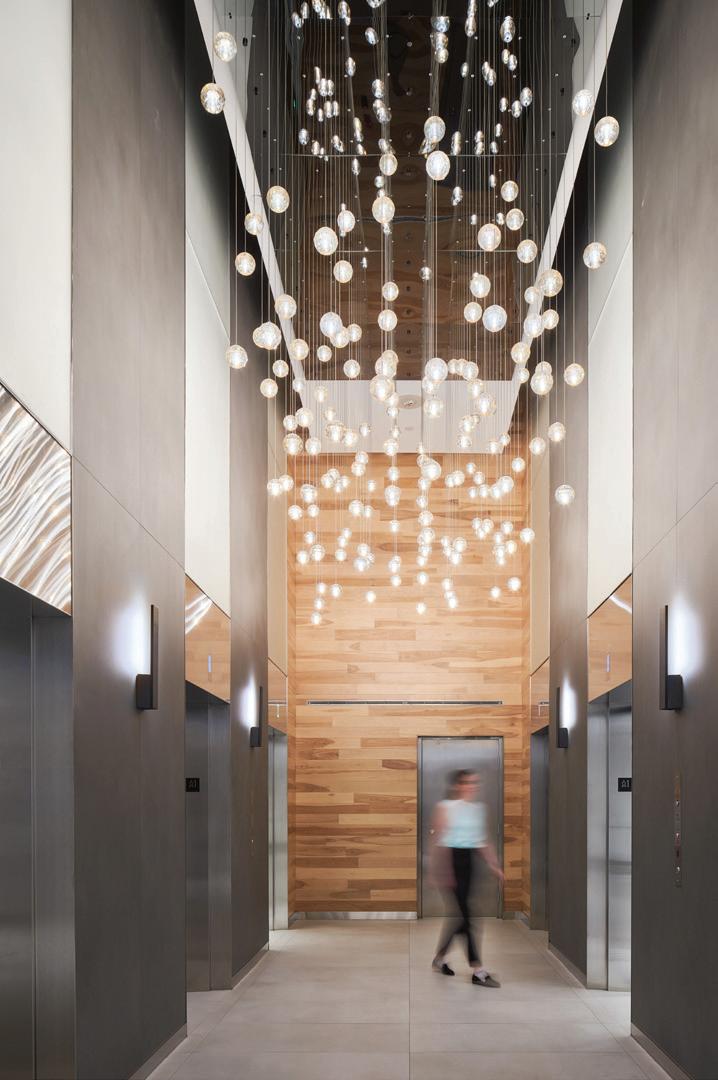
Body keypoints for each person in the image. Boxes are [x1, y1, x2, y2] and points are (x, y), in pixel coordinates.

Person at [430, 768, 504, 987]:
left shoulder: (478, 809)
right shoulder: (445, 807)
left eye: (474, 782)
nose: (471, 786)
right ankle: (478, 970)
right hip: (450, 862)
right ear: (457, 785)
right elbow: (437, 841)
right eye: (466, 782)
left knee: (462, 916)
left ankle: (440, 958)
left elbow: (482, 841)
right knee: (468, 916)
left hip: (470, 863)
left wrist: (494, 865)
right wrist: (440, 872)